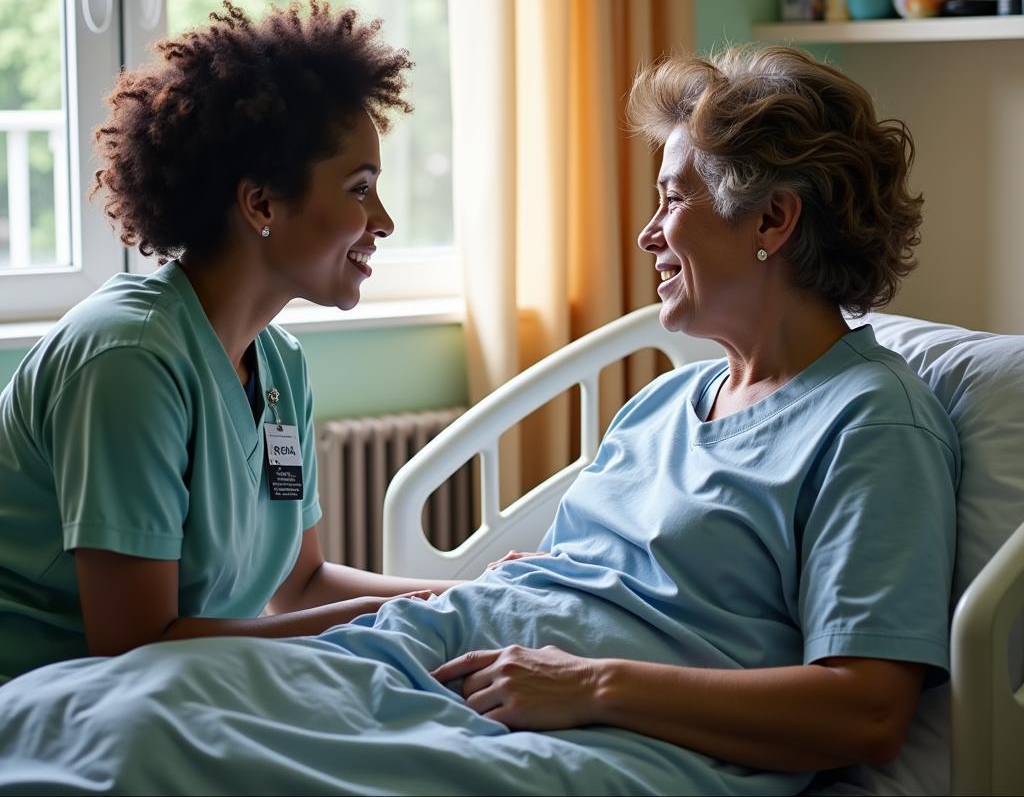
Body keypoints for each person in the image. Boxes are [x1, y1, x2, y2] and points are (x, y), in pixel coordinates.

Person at [0, 46, 959, 797]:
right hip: (435, 663)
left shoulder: (871, 424)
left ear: (773, 223)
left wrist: (589, 684)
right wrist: (451, 601)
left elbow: (865, 711)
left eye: (673, 199)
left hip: (545, 710)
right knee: (88, 713)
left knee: (133, 745)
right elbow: (163, 631)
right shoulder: (663, 402)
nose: (648, 233)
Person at [0, 0, 454, 685]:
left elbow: (298, 586)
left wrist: (458, 599)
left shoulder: (278, 366)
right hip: (46, 700)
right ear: (262, 204)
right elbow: (132, 645)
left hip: (176, 687)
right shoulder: (129, 360)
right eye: (360, 189)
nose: (383, 220)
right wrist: (411, 617)